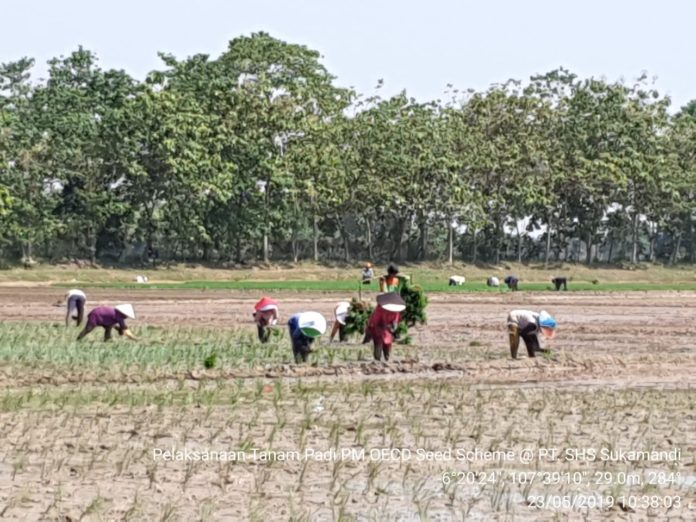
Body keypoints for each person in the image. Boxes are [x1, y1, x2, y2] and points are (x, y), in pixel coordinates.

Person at [365, 292, 406, 362]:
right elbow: (375, 321)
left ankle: (382, 359)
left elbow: (374, 320)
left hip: (384, 330)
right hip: (381, 330)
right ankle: (381, 359)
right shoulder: (383, 310)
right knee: (382, 344)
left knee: (383, 344)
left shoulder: (389, 309)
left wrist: (394, 325)